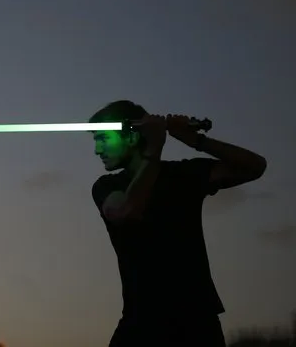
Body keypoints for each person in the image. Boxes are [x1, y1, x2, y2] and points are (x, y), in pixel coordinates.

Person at [89, 100, 267, 347]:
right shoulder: (107, 186)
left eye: (103, 138)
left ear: (131, 138)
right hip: (142, 321)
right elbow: (127, 210)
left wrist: (196, 141)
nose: (97, 149)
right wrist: (154, 148)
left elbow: (255, 166)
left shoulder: (184, 174)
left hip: (197, 322)